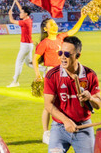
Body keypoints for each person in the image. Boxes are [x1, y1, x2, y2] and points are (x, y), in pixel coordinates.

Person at [33, 12, 89, 143]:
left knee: (67, 100)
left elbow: (74, 30)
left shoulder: (61, 38)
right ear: (45, 29)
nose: (54, 25)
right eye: (51, 24)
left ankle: (69, 126)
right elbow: (35, 59)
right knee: (50, 104)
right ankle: (46, 133)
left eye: (55, 23)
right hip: (52, 73)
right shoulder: (45, 43)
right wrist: (38, 75)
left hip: (64, 72)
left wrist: (82, 17)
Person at [6, 0, 35, 87]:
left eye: (21, 12)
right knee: (29, 63)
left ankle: (15, 81)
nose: (20, 13)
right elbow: (22, 9)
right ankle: (45, 69)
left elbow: (12, 21)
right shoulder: (28, 19)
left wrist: (10, 15)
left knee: (19, 62)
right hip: (29, 45)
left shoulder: (25, 22)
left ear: (26, 14)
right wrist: (16, 1)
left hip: (25, 45)